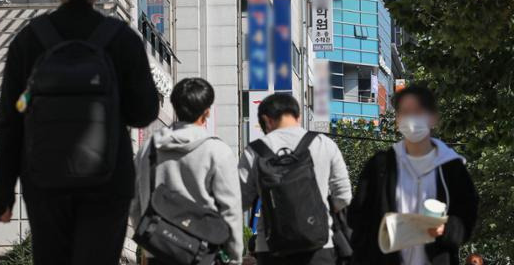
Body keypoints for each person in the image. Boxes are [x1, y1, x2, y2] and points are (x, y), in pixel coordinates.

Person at [0, 0, 160, 264]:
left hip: (45, 179)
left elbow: (11, 121)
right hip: (108, 178)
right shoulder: (121, 39)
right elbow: (144, 112)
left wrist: (2, 194)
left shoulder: (30, 40)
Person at [349, 85, 479, 265]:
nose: (411, 119)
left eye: (417, 111)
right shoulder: (381, 165)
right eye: (404, 112)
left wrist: (446, 229)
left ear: (433, 118)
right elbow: (358, 216)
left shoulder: (451, 168)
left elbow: (467, 214)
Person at [131, 78, 244, 264]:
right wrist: (234, 257)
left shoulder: (148, 149)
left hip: (158, 251)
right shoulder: (218, 152)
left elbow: (134, 202)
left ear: (175, 107)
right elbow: (230, 210)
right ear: (206, 112)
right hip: (202, 254)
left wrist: (148, 241)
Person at [239, 93, 352, 265]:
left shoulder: (254, 151)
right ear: (298, 116)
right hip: (319, 246)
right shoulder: (324, 144)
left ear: (266, 120)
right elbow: (343, 197)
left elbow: (240, 200)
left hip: (271, 248)